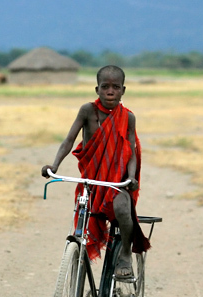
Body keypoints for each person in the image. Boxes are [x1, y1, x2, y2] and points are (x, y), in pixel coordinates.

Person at [41, 65, 150, 278]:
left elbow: (131, 151)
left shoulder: (128, 117)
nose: (110, 91)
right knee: (83, 214)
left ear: (123, 91)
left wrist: (130, 177)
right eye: (105, 87)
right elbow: (69, 140)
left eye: (116, 87)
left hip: (116, 183)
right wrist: (54, 166)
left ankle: (125, 254)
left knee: (121, 207)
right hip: (91, 182)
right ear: (97, 89)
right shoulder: (87, 111)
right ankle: (79, 262)